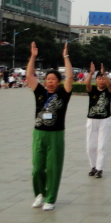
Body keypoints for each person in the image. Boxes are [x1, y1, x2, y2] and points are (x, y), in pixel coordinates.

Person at [27, 41, 73, 211]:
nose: (50, 82)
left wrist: (65, 56)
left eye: (53, 79)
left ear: (58, 82)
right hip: (39, 133)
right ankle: (40, 194)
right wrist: (33, 56)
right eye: (48, 79)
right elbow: (29, 76)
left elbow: (70, 77)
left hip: (55, 134)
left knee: (53, 167)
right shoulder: (40, 92)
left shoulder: (63, 93)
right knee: (37, 168)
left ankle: (51, 198)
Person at [85, 62, 111, 178]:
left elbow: (110, 85)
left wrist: (104, 74)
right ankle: (93, 166)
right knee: (90, 146)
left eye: (103, 79)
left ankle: (99, 168)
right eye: (99, 79)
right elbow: (87, 84)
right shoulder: (92, 90)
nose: (101, 81)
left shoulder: (108, 91)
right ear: (96, 80)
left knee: (102, 146)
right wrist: (91, 73)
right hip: (92, 120)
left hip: (104, 120)